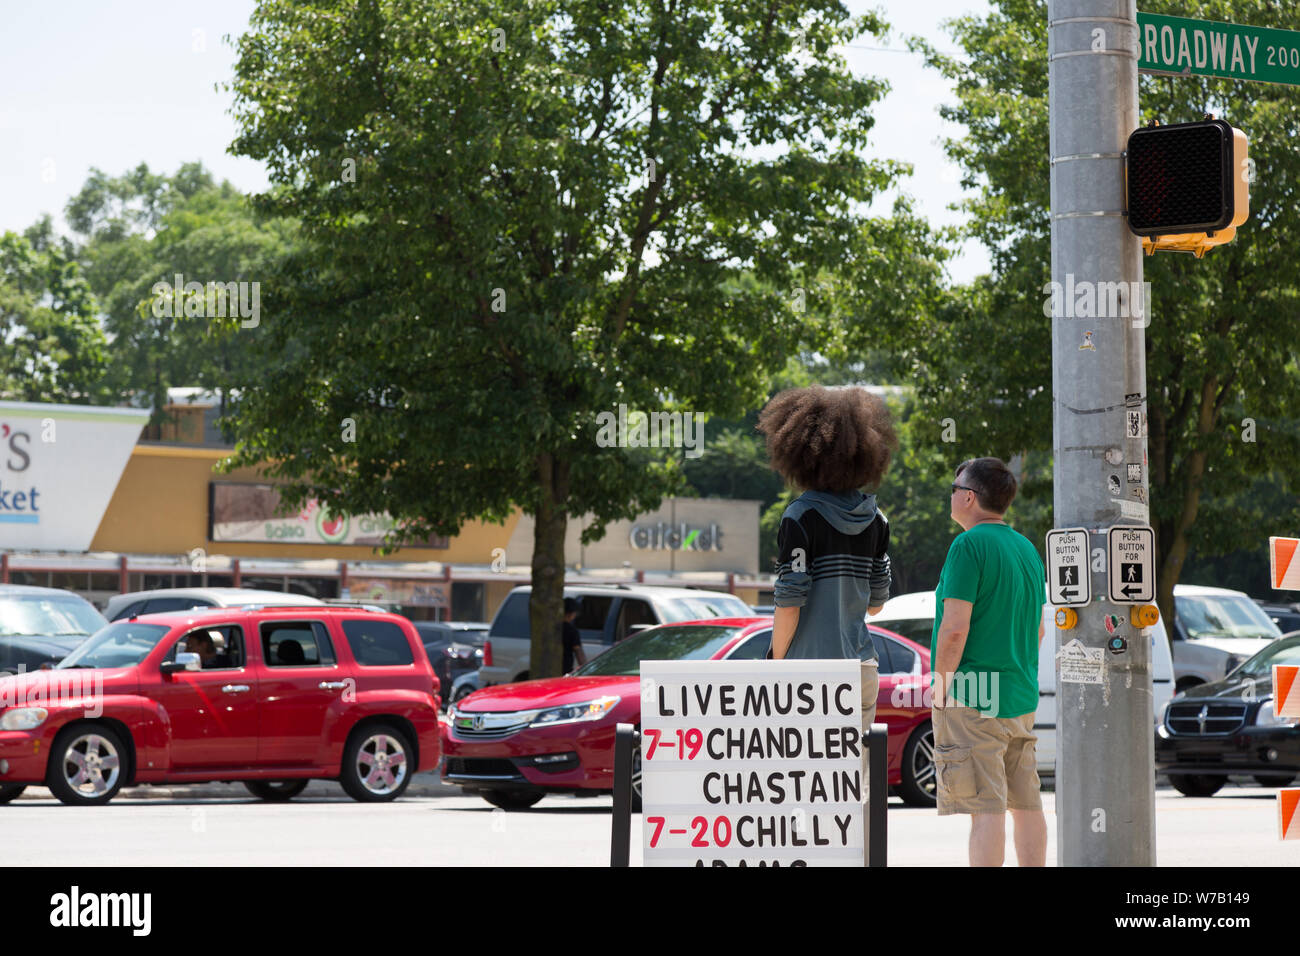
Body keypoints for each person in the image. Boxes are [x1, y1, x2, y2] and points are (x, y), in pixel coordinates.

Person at [756, 385, 897, 865]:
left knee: (799, 784)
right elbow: (877, 603)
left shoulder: (799, 516)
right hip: (860, 668)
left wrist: (774, 660)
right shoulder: (876, 518)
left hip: (807, 674)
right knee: (851, 783)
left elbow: (789, 602)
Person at [931, 457, 1047, 867]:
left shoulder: (968, 545)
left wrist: (940, 686)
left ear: (968, 496)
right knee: (1026, 801)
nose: (951, 494)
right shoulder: (1026, 549)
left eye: (953, 487)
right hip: (1019, 693)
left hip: (975, 693)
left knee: (986, 806)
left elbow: (954, 629)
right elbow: (1038, 631)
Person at [561, 598, 587, 673]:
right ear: (571, 614)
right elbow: (578, 652)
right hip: (565, 669)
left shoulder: (552, 628)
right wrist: (585, 669)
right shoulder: (572, 631)